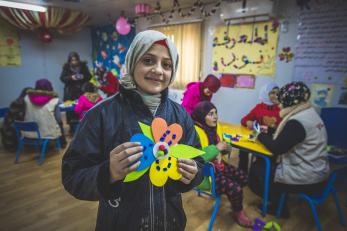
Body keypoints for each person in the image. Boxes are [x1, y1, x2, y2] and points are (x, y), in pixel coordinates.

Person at [61, 30, 204, 231]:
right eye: (148, 60)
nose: (158, 70)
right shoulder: (101, 115)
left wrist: (193, 174)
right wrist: (108, 173)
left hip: (170, 222)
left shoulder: (180, 115)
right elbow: (72, 175)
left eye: (167, 64)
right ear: (132, 62)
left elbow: (198, 161)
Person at [249, 81, 330, 216]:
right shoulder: (309, 113)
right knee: (265, 164)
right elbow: (290, 138)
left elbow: (277, 147)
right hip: (317, 170)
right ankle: (279, 198)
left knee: (259, 167)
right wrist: (270, 130)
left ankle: (278, 207)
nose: (279, 105)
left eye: (281, 102)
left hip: (307, 177)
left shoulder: (297, 122)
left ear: (288, 102)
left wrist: (259, 135)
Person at [192, 101, 253, 227]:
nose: (215, 116)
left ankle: (233, 196)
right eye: (210, 114)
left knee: (243, 177)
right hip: (205, 174)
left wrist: (226, 147)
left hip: (218, 166)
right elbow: (198, 159)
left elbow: (224, 148)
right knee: (235, 188)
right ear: (201, 116)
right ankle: (238, 211)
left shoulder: (216, 127)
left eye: (216, 113)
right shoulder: (195, 132)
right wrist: (217, 149)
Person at [239, 82, 281, 173]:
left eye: (277, 93)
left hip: (272, 137)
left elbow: (280, 128)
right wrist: (247, 122)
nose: (276, 96)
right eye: (272, 93)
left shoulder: (281, 108)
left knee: (265, 158)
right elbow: (243, 120)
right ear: (265, 94)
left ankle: (261, 171)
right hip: (257, 134)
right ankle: (242, 173)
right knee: (243, 147)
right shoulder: (259, 107)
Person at [23, 79, 66, 147]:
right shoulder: (55, 100)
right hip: (48, 133)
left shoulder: (26, 98)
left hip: (29, 132)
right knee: (60, 122)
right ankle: (62, 143)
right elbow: (58, 119)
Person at [60, 52, 92, 129]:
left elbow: (89, 76)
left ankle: (83, 128)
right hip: (70, 92)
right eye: (72, 60)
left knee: (82, 109)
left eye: (75, 60)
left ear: (78, 59)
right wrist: (71, 77)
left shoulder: (83, 66)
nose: (74, 62)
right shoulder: (66, 67)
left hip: (82, 91)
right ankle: (72, 129)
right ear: (69, 61)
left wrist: (83, 76)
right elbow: (62, 78)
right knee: (71, 111)